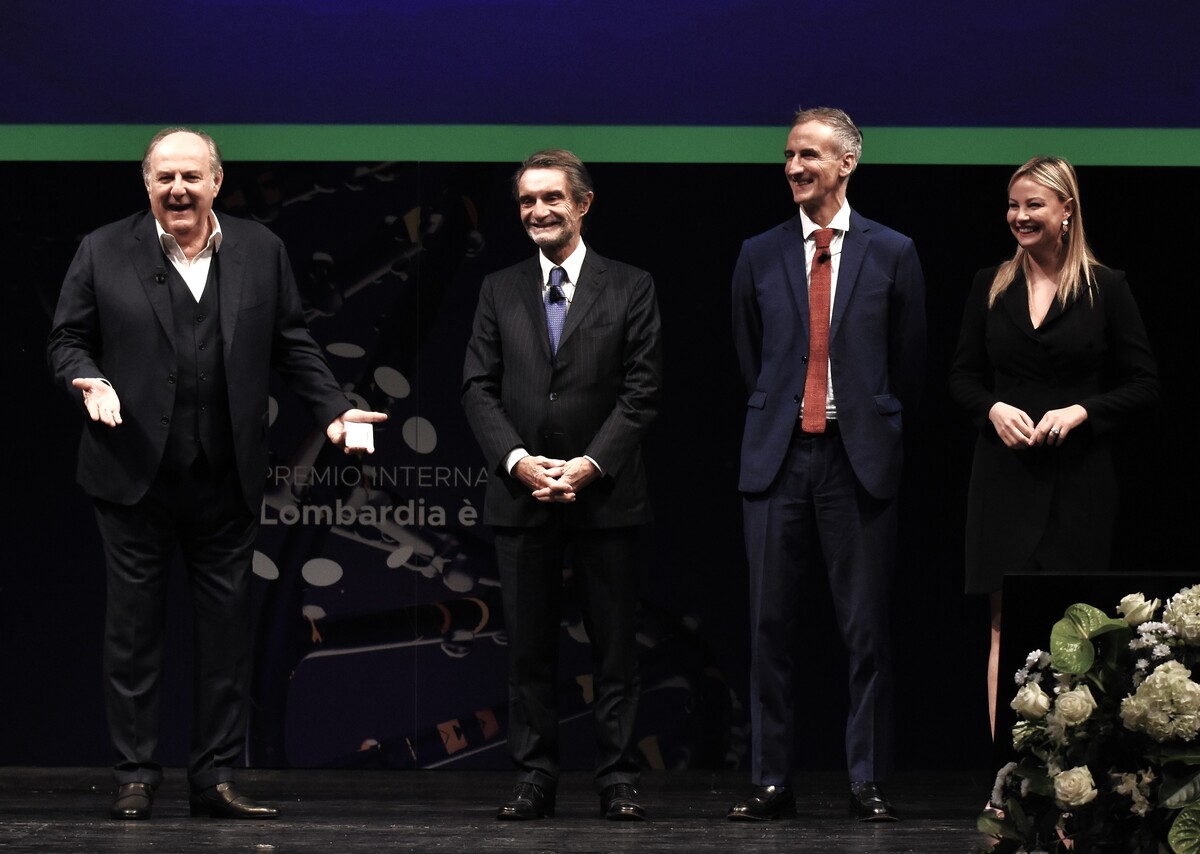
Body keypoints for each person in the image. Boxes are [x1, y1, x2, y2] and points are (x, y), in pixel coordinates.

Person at [46, 128, 386, 820]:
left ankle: (215, 778)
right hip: (131, 475)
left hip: (225, 479)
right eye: (164, 177)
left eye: (191, 177)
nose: (178, 189)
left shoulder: (260, 250)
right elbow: (66, 337)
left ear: (217, 182)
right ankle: (136, 777)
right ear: (147, 186)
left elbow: (293, 342)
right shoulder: (103, 248)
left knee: (225, 636)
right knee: (134, 635)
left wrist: (333, 411)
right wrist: (87, 378)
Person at [729, 107, 926, 823]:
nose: (793, 167)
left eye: (808, 154)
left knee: (865, 631)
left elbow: (907, 361)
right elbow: (752, 358)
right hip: (778, 459)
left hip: (856, 459)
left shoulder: (894, 251)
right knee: (768, 629)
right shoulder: (758, 251)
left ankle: (866, 780)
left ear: (847, 163)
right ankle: (771, 782)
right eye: (787, 155)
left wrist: (867, 421)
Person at [461, 149, 662, 821]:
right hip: (522, 495)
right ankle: (533, 777)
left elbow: (641, 393)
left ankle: (617, 780)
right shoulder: (499, 288)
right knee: (528, 652)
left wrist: (587, 465)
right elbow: (477, 388)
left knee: (613, 653)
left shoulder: (630, 285)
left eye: (551, 198)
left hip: (604, 495)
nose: (538, 211)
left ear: (582, 203)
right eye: (526, 202)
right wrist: (519, 461)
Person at [949, 156, 1158, 738]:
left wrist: (1084, 410)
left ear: (1067, 211)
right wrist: (991, 408)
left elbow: (1145, 383)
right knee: (1001, 625)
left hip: (1079, 479)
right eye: (1013, 206)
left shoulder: (1105, 287)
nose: (1019, 216)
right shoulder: (989, 285)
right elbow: (962, 377)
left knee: (1077, 627)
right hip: (1004, 476)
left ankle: (1073, 786)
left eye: (1033, 205)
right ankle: (1005, 778)